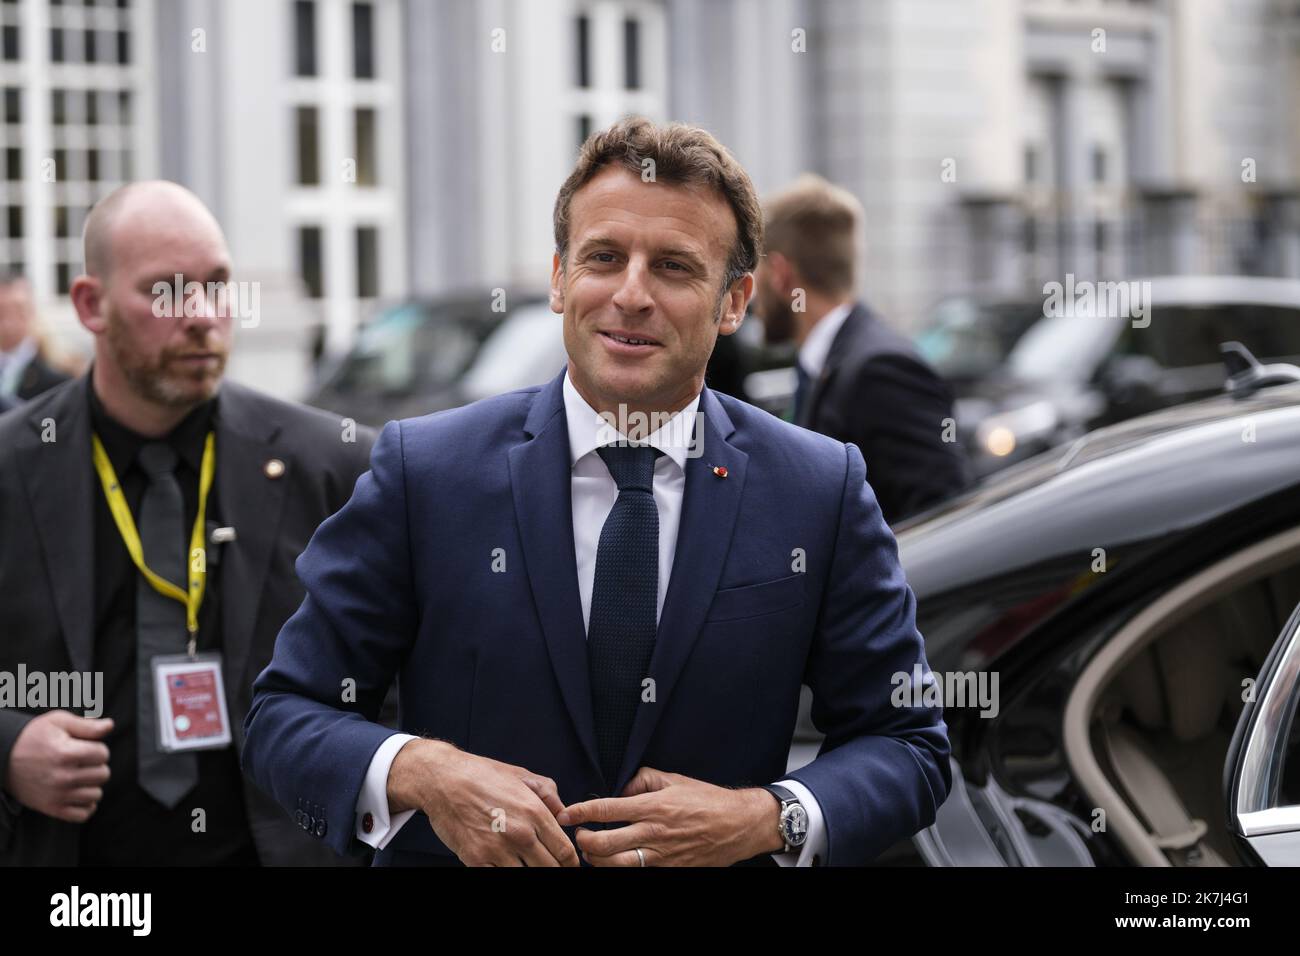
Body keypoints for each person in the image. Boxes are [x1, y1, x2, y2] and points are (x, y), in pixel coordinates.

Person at [243, 118, 950, 867]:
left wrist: (764, 817)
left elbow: (907, 745)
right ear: (559, 277)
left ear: (735, 300)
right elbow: (285, 716)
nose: (631, 295)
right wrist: (427, 773)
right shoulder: (427, 471)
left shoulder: (818, 488)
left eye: (675, 267)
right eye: (604, 258)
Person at [0, 181, 376, 865]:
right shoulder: (12, 468)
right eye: (166, 291)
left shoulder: (337, 466)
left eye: (218, 285)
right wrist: (7, 748)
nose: (202, 314)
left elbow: (405, 683)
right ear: (91, 305)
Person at [753, 174, 971, 525]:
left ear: (779, 274)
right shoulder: (826, 362)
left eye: (755, 273)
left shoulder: (881, 369)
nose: (752, 298)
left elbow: (942, 519)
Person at [0, 272, 70, 403]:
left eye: (18, 310)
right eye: (1, 312)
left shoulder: (58, 375)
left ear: (32, 310)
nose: (8, 323)